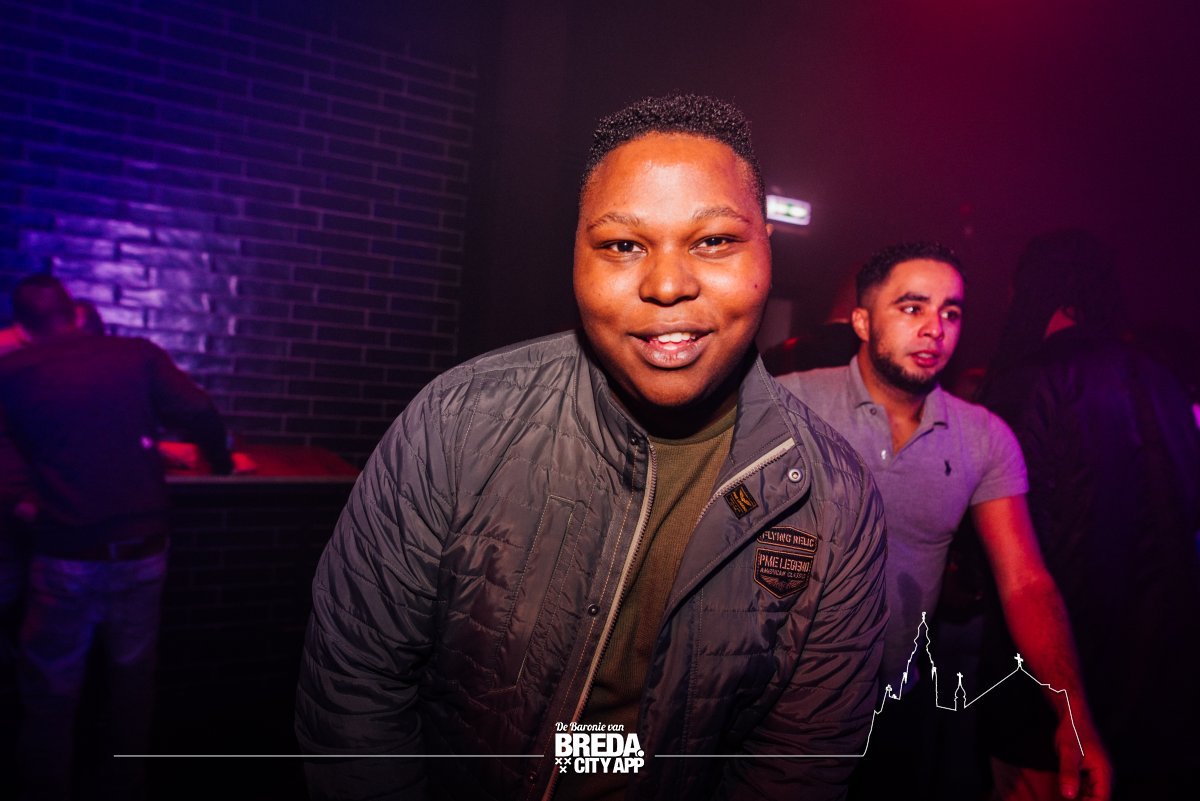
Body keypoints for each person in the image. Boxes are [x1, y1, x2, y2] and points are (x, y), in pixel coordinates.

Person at [296, 93, 888, 801]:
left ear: (767, 247)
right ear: (574, 256)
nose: (666, 285)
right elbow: (354, 694)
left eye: (713, 241)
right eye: (623, 245)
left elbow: (797, 766)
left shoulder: (837, 502)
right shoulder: (457, 424)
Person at [777, 242, 1111, 800]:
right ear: (862, 322)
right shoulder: (790, 405)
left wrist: (1072, 714)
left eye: (950, 312)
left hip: (897, 712)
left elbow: (1025, 582)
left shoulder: (984, 437)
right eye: (912, 308)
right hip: (774, 710)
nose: (935, 328)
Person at [978, 229, 1200, 799]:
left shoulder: (1029, 380)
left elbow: (1010, 546)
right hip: (1158, 684)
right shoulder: (1164, 382)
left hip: (1051, 685)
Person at [0, 274, 233, 801]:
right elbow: (199, 411)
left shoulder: (10, 373)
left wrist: (23, 504)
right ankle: (124, 785)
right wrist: (219, 460)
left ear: (23, 328)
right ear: (75, 313)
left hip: (65, 552)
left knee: (51, 692)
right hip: (141, 547)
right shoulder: (135, 355)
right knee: (132, 684)